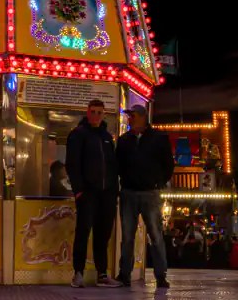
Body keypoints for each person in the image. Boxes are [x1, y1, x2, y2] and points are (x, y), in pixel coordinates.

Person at [115, 103, 174, 288]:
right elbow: (118, 164)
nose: (129, 119)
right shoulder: (124, 140)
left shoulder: (158, 138)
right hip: (129, 192)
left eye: (132, 116)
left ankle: (160, 274)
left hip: (149, 192)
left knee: (155, 235)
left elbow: (168, 164)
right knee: (127, 236)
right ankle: (125, 273)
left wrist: (158, 182)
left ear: (141, 117)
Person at [65, 97, 120, 287]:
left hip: (106, 194)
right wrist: (79, 190)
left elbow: (112, 165)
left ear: (103, 114)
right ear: (87, 112)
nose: (96, 115)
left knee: (103, 234)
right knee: (83, 232)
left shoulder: (106, 137)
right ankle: (78, 272)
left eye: (99, 112)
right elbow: (72, 164)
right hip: (88, 193)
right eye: (93, 111)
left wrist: (113, 191)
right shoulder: (79, 135)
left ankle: (102, 273)